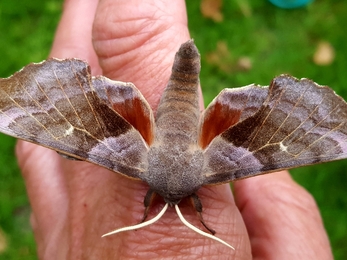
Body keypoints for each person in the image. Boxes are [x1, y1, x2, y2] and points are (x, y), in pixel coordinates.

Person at [16, 0, 333, 258]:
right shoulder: (196, 167)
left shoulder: (136, 162)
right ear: (195, 197)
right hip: (193, 113)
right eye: (191, 203)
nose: (168, 201)